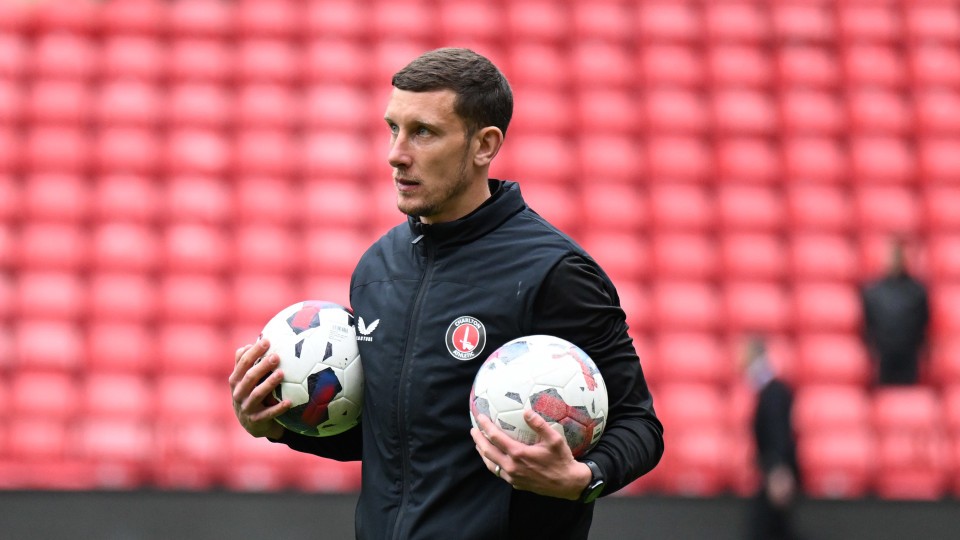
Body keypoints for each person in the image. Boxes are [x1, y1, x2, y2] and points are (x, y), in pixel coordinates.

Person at [229, 48, 663, 539]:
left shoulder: (553, 272)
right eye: (393, 128)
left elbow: (639, 426)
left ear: (484, 145)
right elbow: (397, 439)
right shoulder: (377, 269)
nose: (396, 152)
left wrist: (582, 479)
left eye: (423, 132)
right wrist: (279, 424)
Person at [743, 336, 800, 540]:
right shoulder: (770, 392)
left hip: (776, 472)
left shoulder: (773, 393)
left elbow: (778, 433)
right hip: (771, 471)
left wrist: (778, 469)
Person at [861, 237, 930, 385]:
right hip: (883, 358)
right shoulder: (873, 293)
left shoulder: (917, 292)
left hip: (909, 358)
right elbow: (868, 325)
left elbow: (923, 324)